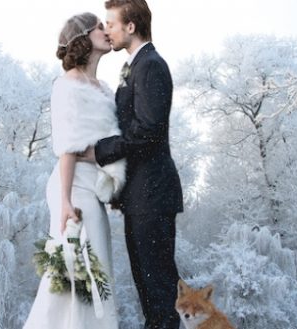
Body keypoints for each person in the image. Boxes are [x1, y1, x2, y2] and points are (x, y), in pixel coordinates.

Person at [81, 0, 184, 328]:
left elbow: (148, 131)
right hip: (140, 197)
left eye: (110, 23)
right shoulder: (133, 66)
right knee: (150, 292)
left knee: (159, 291)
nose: (106, 29)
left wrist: (98, 151)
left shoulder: (150, 65)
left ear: (130, 26)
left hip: (152, 195)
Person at [23, 12, 123, 329]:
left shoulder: (105, 88)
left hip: (94, 188)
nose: (107, 30)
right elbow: (68, 146)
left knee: (93, 272)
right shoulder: (67, 85)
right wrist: (65, 202)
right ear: (82, 38)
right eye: (99, 27)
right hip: (74, 187)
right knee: (81, 273)